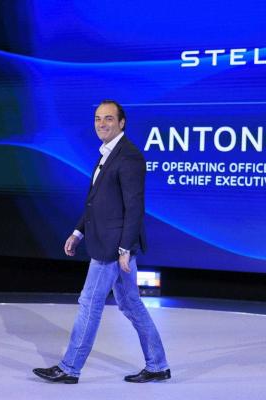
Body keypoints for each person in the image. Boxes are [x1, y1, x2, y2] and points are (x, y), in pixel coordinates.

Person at [33, 100, 170, 384]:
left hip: (113, 247)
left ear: (122, 122)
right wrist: (78, 232)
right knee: (130, 304)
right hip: (109, 242)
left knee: (89, 303)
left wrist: (124, 248)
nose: (102, 123)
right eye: (97, 118)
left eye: (108, 118)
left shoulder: (129, 156)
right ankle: (158, 364)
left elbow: (134, 207)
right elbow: (96, 202)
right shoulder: (108, 153)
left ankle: (69, 368)